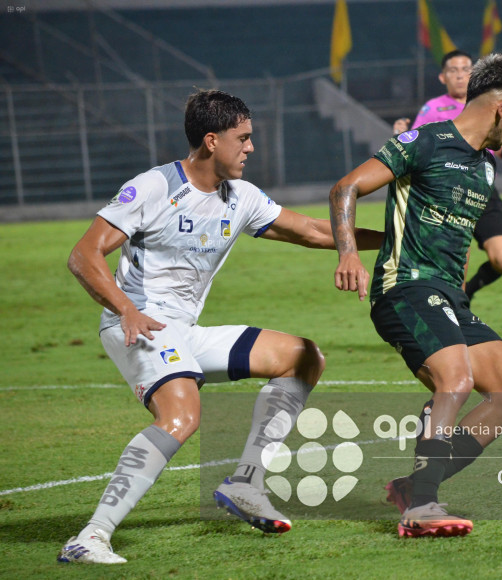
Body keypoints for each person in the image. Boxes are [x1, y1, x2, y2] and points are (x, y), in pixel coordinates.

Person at [58, 89, 381, 564]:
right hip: (140, 323)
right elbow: (83, 254)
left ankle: (247, 482)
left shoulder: (241, 196)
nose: (251, 148)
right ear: (211, 141)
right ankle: (91, 536)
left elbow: (312, 231)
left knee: (303, 357)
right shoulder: (154, 186)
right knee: (183, 416)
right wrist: (126, 308)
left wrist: (396, 241)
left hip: (184, 330)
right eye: (243, 138)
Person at [330, 54, 502, 538]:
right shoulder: (423, 142)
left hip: (449, 295)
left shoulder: (485, 170)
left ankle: (415, 484)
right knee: (457, 379)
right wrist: (348, 255)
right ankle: (422, 506)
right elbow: (346, 188)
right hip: (403, 286)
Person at [393, 50, 502, 304]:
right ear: (442, 76)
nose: (460, 75)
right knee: (458, 260)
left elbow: (496, 144)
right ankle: (456, 307)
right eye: (453, 70)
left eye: (465, 69)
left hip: (483, 187)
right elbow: (416, 148)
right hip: (448, 192)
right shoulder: (433, 108)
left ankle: (464, 296)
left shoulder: (487, 102)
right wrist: (400, 136)